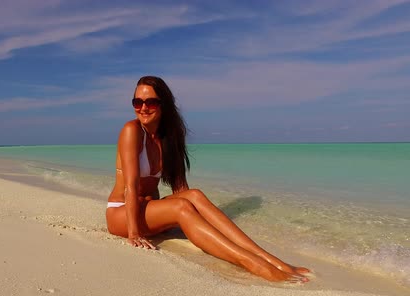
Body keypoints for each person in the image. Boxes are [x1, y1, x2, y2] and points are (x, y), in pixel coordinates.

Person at [106, 76, 310, 282]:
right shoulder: (131, 131)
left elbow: (180, 189)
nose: (143, 108)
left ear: (163, 105)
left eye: (150, 102)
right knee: (181, 207)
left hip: (148, 210)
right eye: (137, 102)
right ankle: (252, 263)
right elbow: (131, 186)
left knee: (193, 195)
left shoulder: (168, 137)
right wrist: (134, 234)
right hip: (122, 214)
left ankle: (271, 260)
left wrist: (194, 218)